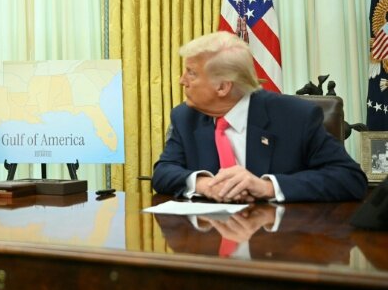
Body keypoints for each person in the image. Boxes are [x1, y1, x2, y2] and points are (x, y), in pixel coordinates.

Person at [152, 31, 367, 203]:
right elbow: (163, 172)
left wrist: (267, 187)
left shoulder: (296, 117)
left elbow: (349, 179)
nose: (182, 81)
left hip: (278, 243)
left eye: (191, 73)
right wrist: (202, 184)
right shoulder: (185, 117)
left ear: (223, 86)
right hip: (209, 242)